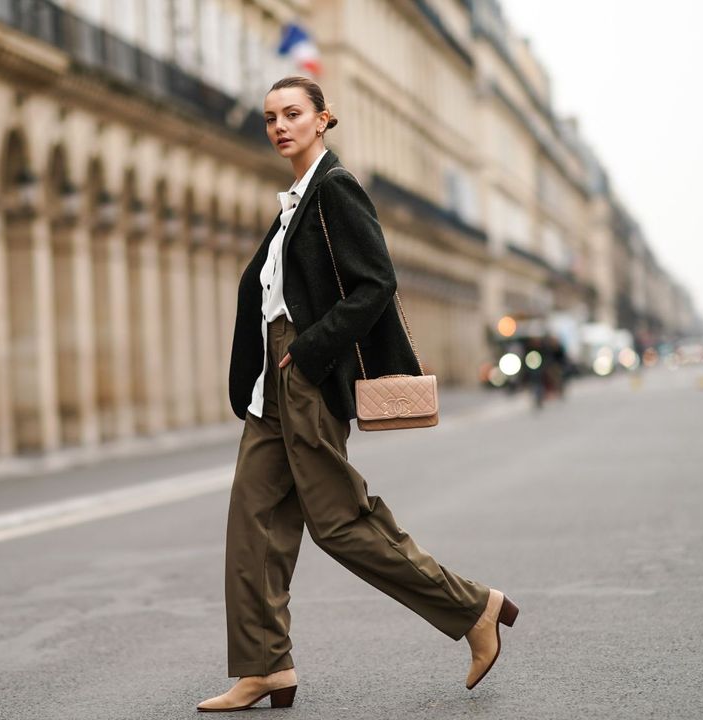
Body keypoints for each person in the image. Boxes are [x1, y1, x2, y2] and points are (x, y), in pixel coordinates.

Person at [197, 76, 518, 713]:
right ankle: (265, 667)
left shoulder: (336, 190)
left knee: (340, 524)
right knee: (251, 527)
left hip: (303, 375)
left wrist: (309, 353)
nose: (279, 126)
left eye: (293, 114)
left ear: (323, 120)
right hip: (272, 382)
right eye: (270, 118)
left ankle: (473, 607)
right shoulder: (293, 200)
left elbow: (375, 283)